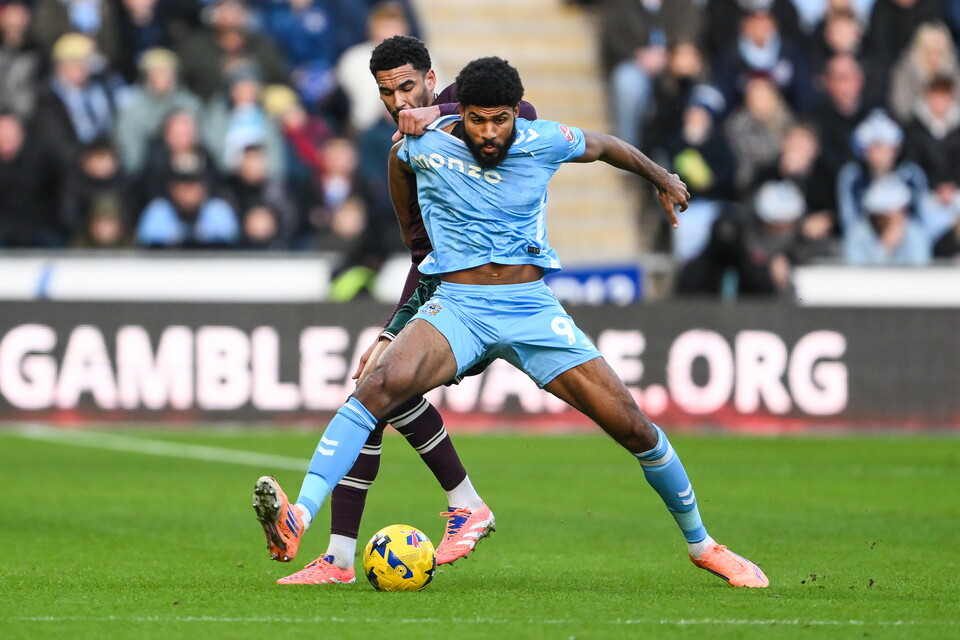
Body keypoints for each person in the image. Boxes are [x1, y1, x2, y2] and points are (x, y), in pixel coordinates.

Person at [252, 55, 769, 589]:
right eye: (477, 120)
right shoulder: (418, 149)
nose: (489, 132)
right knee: (375, 389)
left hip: (531, 309)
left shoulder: (543, 139)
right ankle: (300, 517)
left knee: (634, 426)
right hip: (460, 307)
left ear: (515, 113)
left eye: (500, 119)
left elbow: (607, 146)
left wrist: (662, 178)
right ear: (463, 115)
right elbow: (412, 227)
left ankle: (704, 545)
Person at [253, 36, 538, 586]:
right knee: (376, 395)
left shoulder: (462, 105)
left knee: (380, 393)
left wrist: (437, 116)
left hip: (494, 297)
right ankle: (341, 555)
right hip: (448, 291)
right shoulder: (404, 150)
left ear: (431, 79)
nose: (399, 101)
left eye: (408, 87)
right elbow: (423, 255)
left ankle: (458, 505)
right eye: (387, 92)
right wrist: (391, 330)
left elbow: (523, 113)